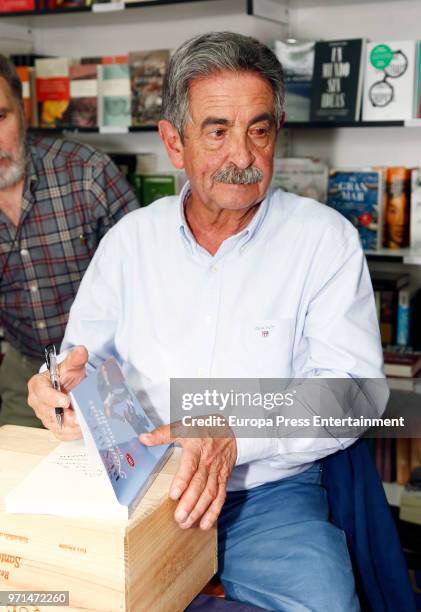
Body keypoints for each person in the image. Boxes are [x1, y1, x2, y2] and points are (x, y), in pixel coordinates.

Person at [28, 32, 388, 611]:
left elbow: (356, 394)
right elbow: (84, 362)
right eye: (218, 131)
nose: (242, 157)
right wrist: (62, 388)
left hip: (267, 494)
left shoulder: (323, 240)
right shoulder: (130, 242)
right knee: (45, 593)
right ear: (174, 141)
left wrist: (233, 432)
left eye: (259, 130)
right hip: (142, 485)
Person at [0, 55, 139, 427]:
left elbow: (148, 272)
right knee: (18, 476)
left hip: (108, 364)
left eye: (0, 118)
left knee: (117, 480)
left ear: (23, 111)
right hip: (27, 371)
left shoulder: (86, 172)